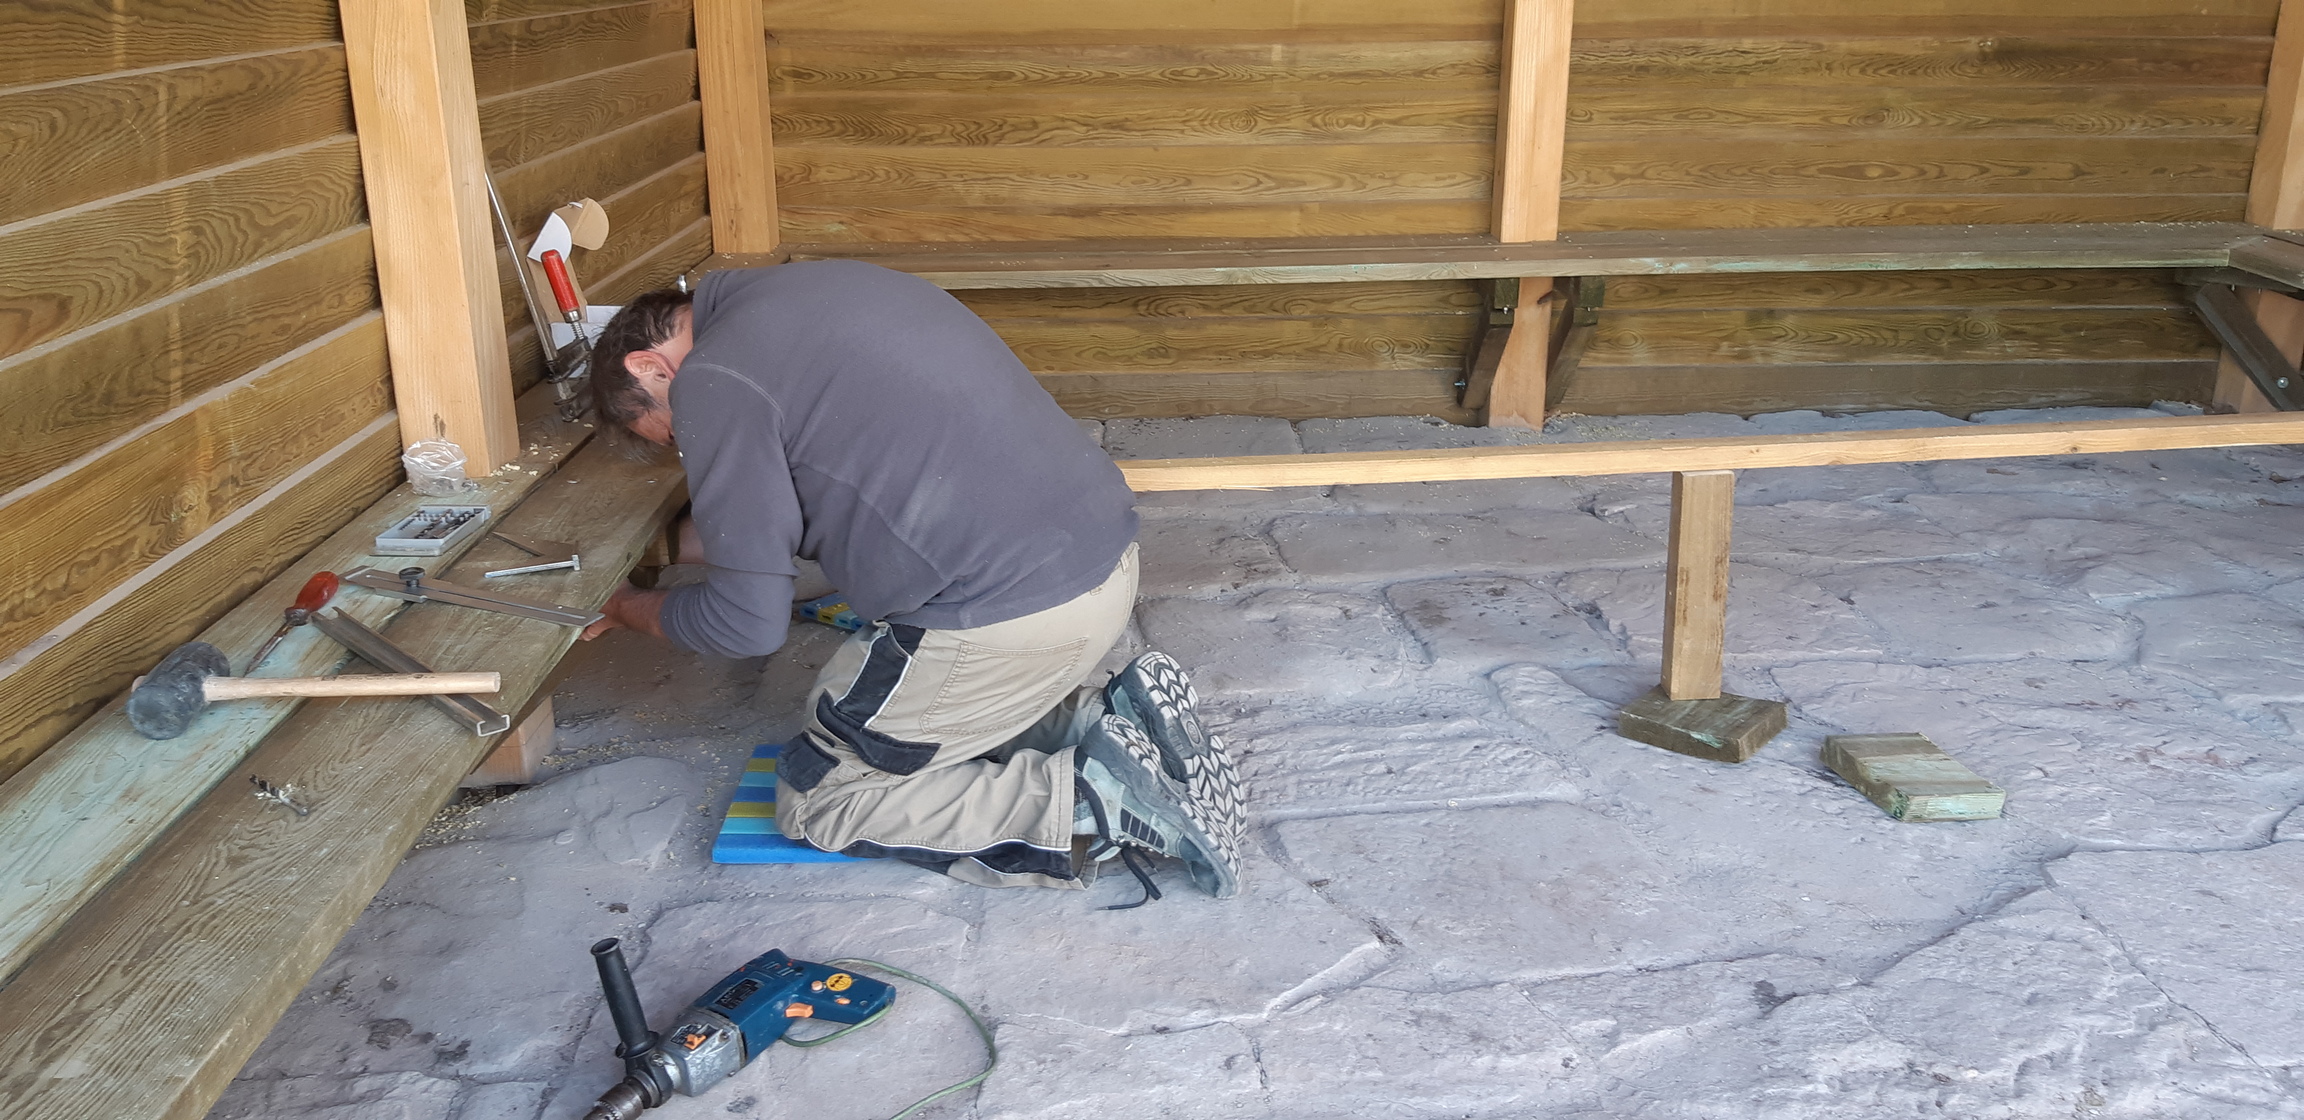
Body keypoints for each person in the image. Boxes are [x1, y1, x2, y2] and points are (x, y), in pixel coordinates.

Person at [577, 260, 1245, 904]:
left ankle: (1094, 803)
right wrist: (680, 546)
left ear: (650, 368)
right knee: (919, 728)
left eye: (673, 435)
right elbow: (804, 504)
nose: (686, 448)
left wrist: (624, 604)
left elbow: (745, 624)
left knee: (823, 795)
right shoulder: (828, 286)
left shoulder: (712, 377)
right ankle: (1110, 720)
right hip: (1101, 569)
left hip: (1005, 620)